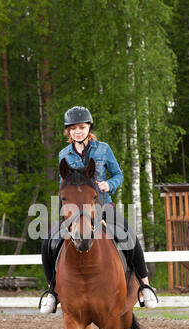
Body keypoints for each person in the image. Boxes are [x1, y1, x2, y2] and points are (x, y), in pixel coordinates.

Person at [40, 106, 158, 314]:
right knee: (48, 242)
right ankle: (52, 291)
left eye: (82, 127)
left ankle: (145, 286)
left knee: (129, 235)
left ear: (89, 128)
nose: (78, 131)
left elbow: (118, 175)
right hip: (74, 211)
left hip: (102, 206)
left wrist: (108, 185)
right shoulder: (63, 155)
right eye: (73, 128)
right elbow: (63, 184)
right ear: (68, 131)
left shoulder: (103, 149)